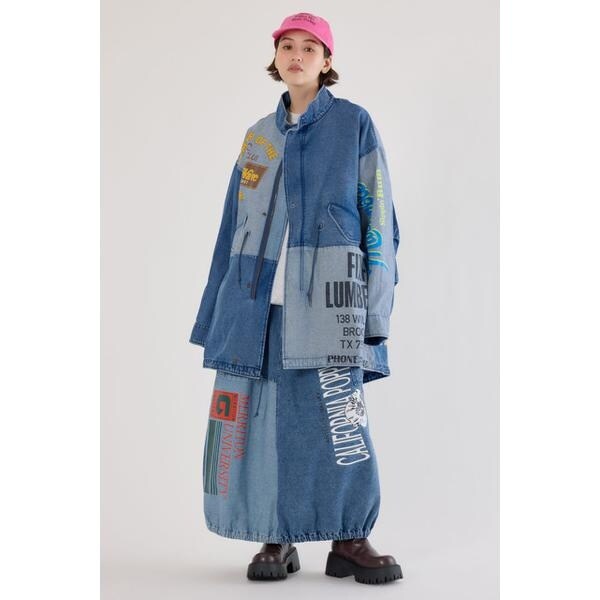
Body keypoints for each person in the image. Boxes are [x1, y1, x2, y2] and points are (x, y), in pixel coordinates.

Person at [189, 12, 402, 585]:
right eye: (288, 45)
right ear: (276, 57)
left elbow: (379, 215)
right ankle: (274, 536)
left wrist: (375, 309)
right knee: (260, 423)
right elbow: (231, 224)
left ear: (327, 61)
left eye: (311, 47)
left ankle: (349, 539)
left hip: (332, 302)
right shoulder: (258, 136)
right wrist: (215, 314)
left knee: (339, 421)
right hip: (255, 304)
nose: (298, 55)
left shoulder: (353, 123)